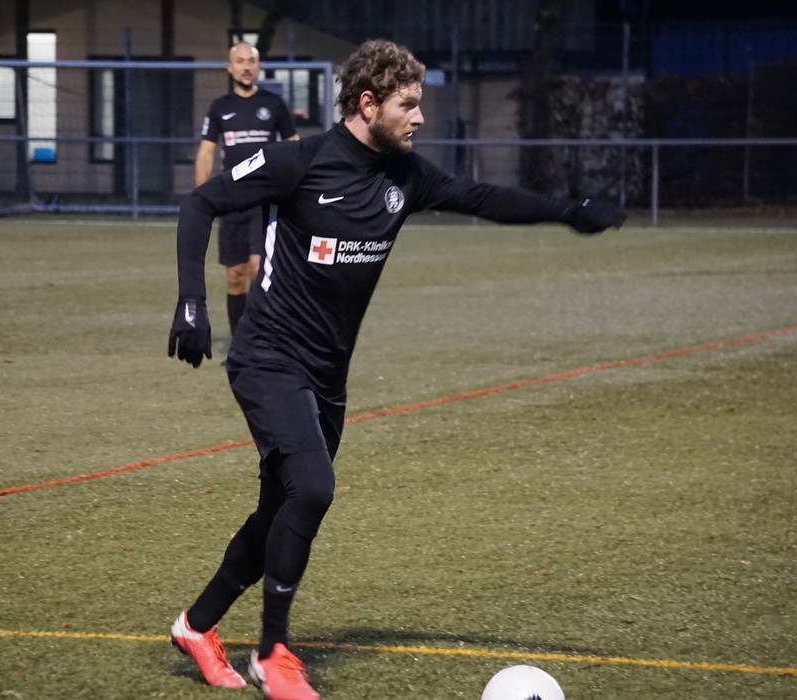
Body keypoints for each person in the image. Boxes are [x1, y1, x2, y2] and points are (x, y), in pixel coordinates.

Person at [168, 39, 625, 700]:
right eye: (408, 104)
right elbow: (200, 204)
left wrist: (569, 213)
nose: (419, 116)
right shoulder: (300, 161)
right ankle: (274, 655)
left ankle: (197, 625)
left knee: (280, 509)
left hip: (328, 374)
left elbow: (482, 197)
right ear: (367, 103)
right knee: (313, 489)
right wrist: (192, 303)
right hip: (268, 356)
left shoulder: (406, 177)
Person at [195, 41, 300, 338]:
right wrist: (202, 201)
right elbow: (205, 154)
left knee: (259, 268)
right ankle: (239, 344)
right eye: (240, 61)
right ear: (230, 68)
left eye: (251, 61)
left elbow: (294, 146)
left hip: (264, 201)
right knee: (235, 276)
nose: (246, 67)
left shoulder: (274, 104)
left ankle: (260, 338)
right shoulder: (220, 107)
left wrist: (295, 185)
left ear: (258, 66)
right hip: (232, 201)